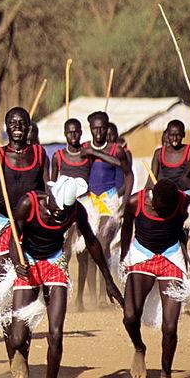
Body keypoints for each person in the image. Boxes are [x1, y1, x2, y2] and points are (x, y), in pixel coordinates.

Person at [3, 176, 123, 378]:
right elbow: (13, 239)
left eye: (64, 210)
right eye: (57, 208)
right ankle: (19, 355)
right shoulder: (28, 204)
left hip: (55, 263)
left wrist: (109, 280)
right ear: (49, 196)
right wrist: (17, 261)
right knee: (17, 338)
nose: (60, 214)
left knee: (56, 333)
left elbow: (93, 242)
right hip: (28, 262)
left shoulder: (76, 211)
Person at [0, 107, 48, 369]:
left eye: (22, 122)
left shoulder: (39, 154)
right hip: (2, 227)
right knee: (6, 295)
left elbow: (47, 192)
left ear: (28, 127)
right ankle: (14, 358)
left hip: (31, 227)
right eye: (12, 122)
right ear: (6, 126)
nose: (17, 126)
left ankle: (23, 350)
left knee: (27, 292)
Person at [118, 179, 190, 378]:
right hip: (142, 255)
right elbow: (126, 228)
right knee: (130, 316)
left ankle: (165, 373)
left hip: (171, 256)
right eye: (161, 208)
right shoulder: (135, 201)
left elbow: (184, 223)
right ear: (153, 198)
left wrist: (182, 235)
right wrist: (125, 257)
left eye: (168, 209)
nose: (164, 212)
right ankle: (139, 348)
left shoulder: (182, 201)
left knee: (170, 326)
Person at [75, 111, 132, 311]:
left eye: (102, 128)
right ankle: (93, 296)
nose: (98, 132)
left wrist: (124, 202)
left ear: (107, 128)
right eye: (94, 128)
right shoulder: (84, 148)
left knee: (102, 243)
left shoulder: (117, 150)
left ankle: (103, 292)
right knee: (89, 249)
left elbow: (128, 174)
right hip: (90, 202)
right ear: (90, 129)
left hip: (109, 202)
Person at [150, 120, 190, 192]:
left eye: (178, 135)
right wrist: (145, 194)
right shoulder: (159, 153)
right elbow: (152, 178)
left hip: (184, 195)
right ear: (167, 135)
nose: (175, 138)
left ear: (184, 135)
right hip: (165, 194)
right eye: (172, 135)